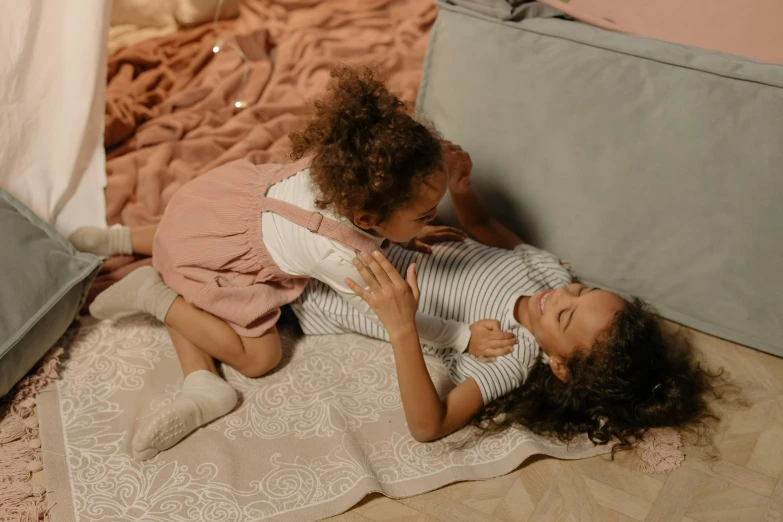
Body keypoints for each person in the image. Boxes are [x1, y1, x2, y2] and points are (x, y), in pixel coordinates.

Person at [70, 67, 515, 460]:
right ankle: (153, 293)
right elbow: (395, 318)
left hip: (212, 202)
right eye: (423, 215)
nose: (433, 219)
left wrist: (412, 227)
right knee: (261, 357)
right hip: (214, 256)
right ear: (367, 220)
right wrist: (461, 335)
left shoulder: (349, 162)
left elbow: (392, 194)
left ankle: (123, 237)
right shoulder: (341, 256)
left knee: (191, 231)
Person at [290, 142, 720, 446]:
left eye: (565, 317)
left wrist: (403, 327)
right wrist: (461, 190)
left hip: (321, 288)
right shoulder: (548, 271)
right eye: (582, 289)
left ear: (559, 366)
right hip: (381, 232)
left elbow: (428, 426)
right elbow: (486, 230)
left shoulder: (509, 355)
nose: (561, 295)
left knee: (259, 316)